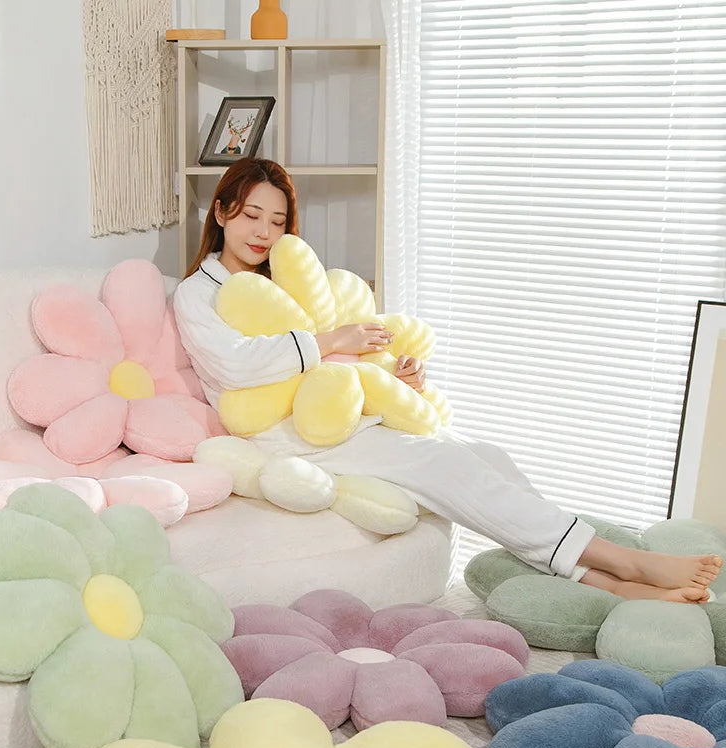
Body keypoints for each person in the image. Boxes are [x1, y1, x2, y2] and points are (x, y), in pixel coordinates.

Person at [173, 157, 722, 604]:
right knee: (448, 465)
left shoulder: (287, 281)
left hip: (342, 415)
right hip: (284, 435)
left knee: (487, 456)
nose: (264, 232)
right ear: (221, 212)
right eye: (251, 216)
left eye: (277, 221)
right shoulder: (197, 293)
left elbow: (333, 359)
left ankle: (603, 582)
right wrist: (335, 341)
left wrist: (394, 373)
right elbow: (238, 364)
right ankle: (627, 563)